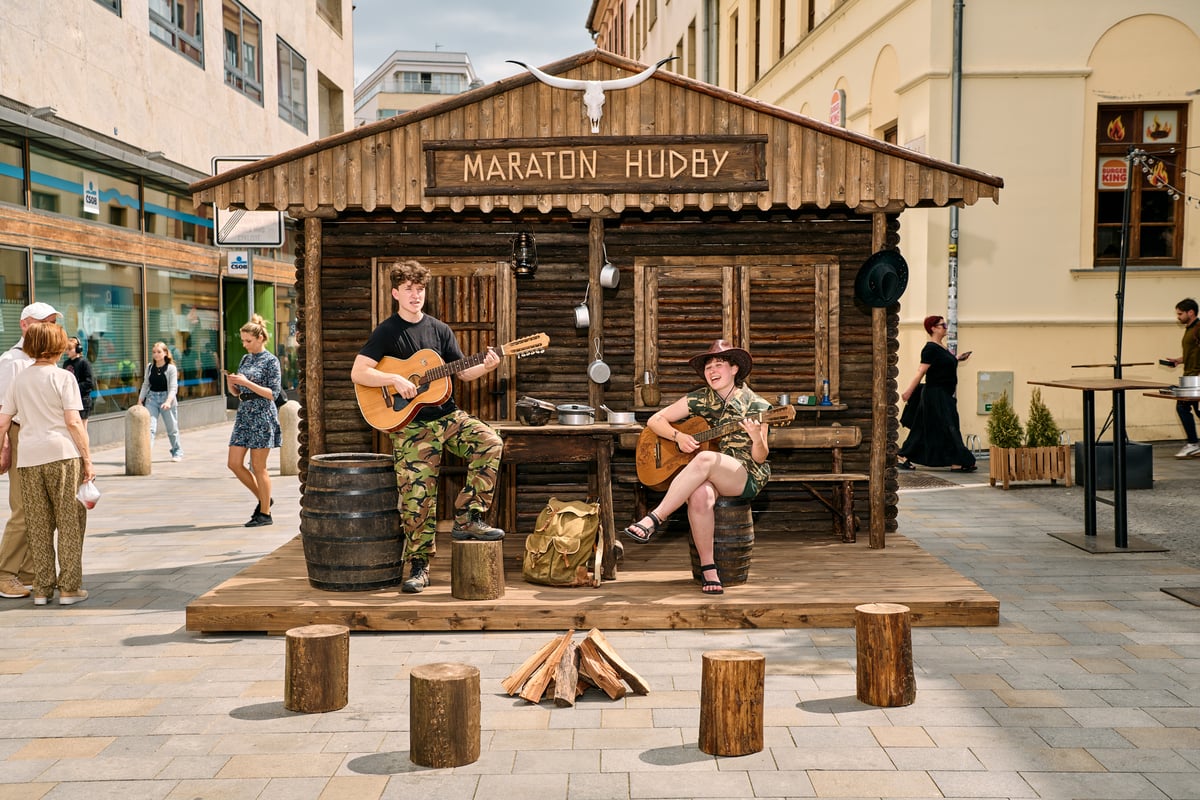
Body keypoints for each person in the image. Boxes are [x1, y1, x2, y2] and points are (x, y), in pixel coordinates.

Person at [350, 259, 504, 594]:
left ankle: (469, 517)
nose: (415, 295)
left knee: (490, 441)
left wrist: (488, 365)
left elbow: (462, 372)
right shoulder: (387, 331)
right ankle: (419, 566)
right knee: (416, 498)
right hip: (410, 427)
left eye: (419, 289)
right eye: (408, 289)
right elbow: (359, 372)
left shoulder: (439, 329)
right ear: (396, 293)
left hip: (447, 417)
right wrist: (393, 378)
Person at [622, 340, 772, 595]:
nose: (712, 371)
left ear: (734, 369)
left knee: (703, 460)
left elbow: (760, 458)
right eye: (708, 367)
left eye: (719, 365)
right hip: (709, 473)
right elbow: (655, 420)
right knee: (700, 494)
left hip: (744, 475)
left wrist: (756, 437)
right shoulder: (700, 398)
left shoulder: (759, 406)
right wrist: (677, 437)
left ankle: (654, 518)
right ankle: (708, 568)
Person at [0, 322, 94, 606]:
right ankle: (68, 588)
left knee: (38, 524)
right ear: (57, 346)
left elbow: (3, 421)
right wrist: (87, 461)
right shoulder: (64, 378)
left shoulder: (20, 378)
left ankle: (41, 589)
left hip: (28, 458)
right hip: (63, 455)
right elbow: (73, 422)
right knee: (69, 522)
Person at [0, 302, 62, 600]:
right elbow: (3, 409)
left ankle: (27, 571)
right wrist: (4, 445)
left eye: (52, 322)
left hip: (39, 435)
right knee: (23, 508)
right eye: (46, 322)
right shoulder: (12, 361)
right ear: (26, 325)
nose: (51, 327)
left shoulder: (41, 357)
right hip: (19, 433)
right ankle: (5, 573)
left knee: (39, 507)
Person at [898, 315, 976, 472]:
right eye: (943, 325)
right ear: (933, 328)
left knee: (923, 426)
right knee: (949, 425)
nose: (946, 327)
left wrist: (957, 358)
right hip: (935, 394)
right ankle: (959, 460)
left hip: (943, 394)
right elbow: (921, 371)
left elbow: (942, 364)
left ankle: (903, 455)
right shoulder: (930, 349)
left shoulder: (940, 347)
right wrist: (908, 391)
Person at [225, 315, 282, 527]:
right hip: (244, 413)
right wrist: (234, 384)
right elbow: (239, 392)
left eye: (248, 340)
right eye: (243, 341)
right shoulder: (245, 359)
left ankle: (265, 514)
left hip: (262, 414)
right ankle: (264, 498)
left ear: (259, 338)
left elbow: (273, 393)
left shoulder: (271, 361)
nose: (244, 344)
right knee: (234, 463)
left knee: (259, 466)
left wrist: (247, 381)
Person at [138, 341, 183, 461]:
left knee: (172, 428)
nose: (156, 354)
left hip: (167, 398)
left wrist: (168, 401)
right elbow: (146, 384)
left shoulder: (171, 368)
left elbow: (173, 387)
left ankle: (177, 451)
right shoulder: (149, 367)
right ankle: (147, 455)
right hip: (152, 399)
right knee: (150, 428)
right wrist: (140, 400)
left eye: (159, 352)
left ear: (165, 353)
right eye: (154, 352)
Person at [1167, 297, 1200, 458]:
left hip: (1196, 378)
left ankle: (1193, 443)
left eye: (1180, 314)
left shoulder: (1199, 327)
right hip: (1189, 377)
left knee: (1183, 407)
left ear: (1191, 312)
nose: (1178, 317)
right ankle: (1194, 443)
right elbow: (1193, 353)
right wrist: (1179, 360)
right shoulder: (1189, 329)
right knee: (1187, 408)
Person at [62, 337, 95, 426]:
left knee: (82, 427)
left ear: (78, 349)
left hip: (83, 400)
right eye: (66, 349)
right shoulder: (66, 363)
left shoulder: (84, 363)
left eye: (69, 349)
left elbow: (89, 383)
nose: (67, 352)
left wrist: (74, 388)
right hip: (70, 400)